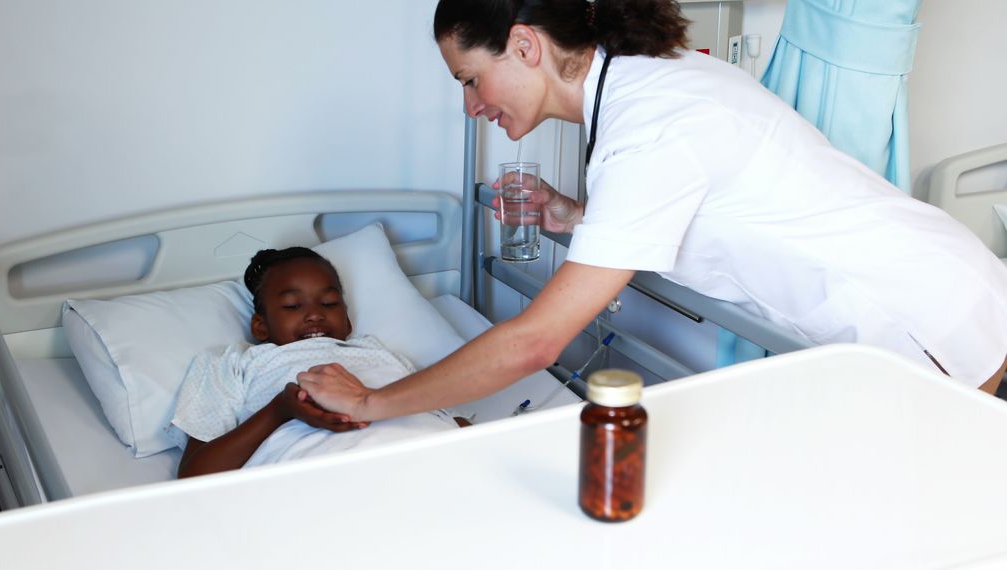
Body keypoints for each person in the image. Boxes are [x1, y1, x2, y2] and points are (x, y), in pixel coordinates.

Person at [298, 0, 1007, 421]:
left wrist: (372, 403)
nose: (471, 105)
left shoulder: (651, 127)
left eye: (471, 78)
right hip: (938, 293)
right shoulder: (651, 82)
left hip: (936, 320)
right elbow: (694, 201)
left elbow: (535, 343)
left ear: (523, 45)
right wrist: (578, 216)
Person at [171, 247, 461, 478]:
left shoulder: (381, 353)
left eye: (328, 303)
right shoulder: (236, 363)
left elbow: (443, 417)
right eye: (292, 306)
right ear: (260, 327)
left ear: (347, 321)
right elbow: (195, 477)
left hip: (424, 455)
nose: (314, 315)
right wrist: (280, 410)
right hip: (320, 474)